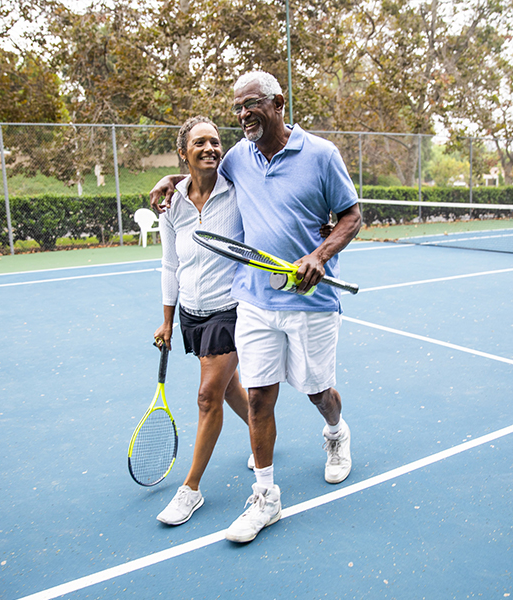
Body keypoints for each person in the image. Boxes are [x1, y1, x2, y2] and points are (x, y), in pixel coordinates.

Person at [150, 71, 361, 543]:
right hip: (255, 301)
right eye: (237, 108)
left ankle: (335, 431)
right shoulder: (238, 159)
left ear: (278, 102)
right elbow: (201, 173)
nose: (243, 115)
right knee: (260, 397)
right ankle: (266, 496)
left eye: (251, 105)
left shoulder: (322, 155)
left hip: (312, 302)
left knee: (316, 392)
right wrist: (174, 179)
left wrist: (319, 256)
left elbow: (351, 215)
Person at [152, 115, 252, 526]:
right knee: (228, 389)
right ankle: (260, 427)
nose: (210, 148)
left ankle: (190, 489)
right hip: (192, 312)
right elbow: (169, 265)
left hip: (230, 307)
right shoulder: (171, 203)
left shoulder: (239, 188)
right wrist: (167, 321)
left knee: (207, 396)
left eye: (215, 141)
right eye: (199, 143)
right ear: (184, 153)